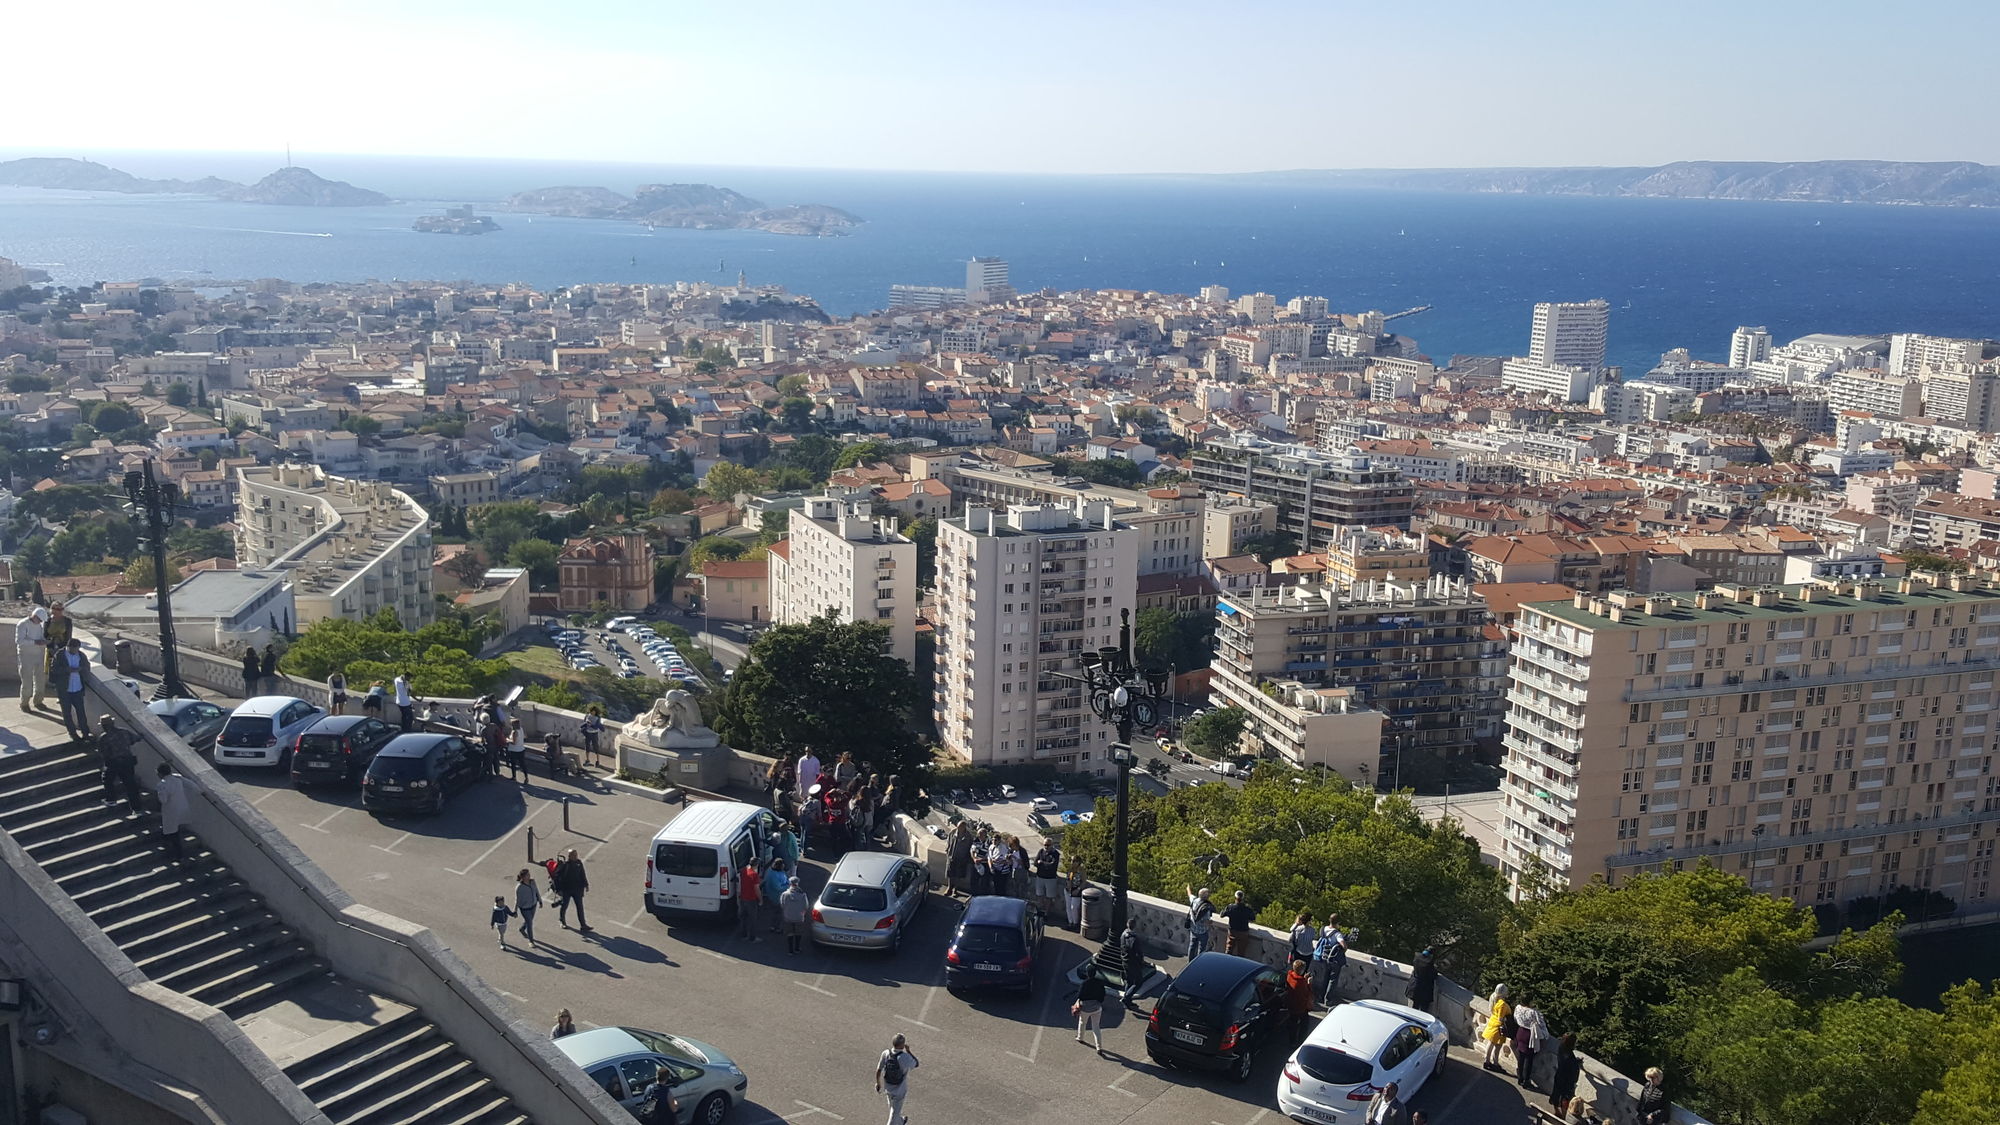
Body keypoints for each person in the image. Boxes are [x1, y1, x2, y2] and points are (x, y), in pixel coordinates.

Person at [94, 715, 142, 814]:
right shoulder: (124, 731)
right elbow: (136, 739)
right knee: (131, 785)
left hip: (113, 763)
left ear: (104, 726)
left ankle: (111, 799)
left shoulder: (104, 738)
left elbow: (103, 753)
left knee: (107, 779)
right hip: (128, 761)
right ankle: (136, 809)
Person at [155, 763, 196, 860]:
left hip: (171, 811)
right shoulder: (178, 779)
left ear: (160, 774)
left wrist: (158, 794)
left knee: (173, 833)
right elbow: (193, 785)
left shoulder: (162, 784)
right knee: (173, 829)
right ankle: (168, 844)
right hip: (182, 808)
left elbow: (163, 800)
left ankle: (178, 855)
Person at [875, 1034, 918, 1125]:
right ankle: (901, 1122)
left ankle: (901, 1121)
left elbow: (879, 1070)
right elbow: (916, 1063)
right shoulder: (904, 1057)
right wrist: (909, 1051)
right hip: (900, 1091)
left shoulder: (886, 1053)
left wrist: (878, 1083)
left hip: (888, 1089)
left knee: (894, 1111)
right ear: (902, 1045)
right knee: (894, 1115)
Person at [55, 638, 91, 741]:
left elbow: (86, 666)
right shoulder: (60, 655)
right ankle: (72, 733)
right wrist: (67, 670)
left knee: (81, 712)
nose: (75, 651)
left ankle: (85, 732)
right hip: (64, 689)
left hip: (78, 688)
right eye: (72, 649)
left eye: (76, 649)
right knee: (67, 713)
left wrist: (81, 669)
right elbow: (54, 669)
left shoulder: (81, 655)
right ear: (68, 647)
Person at [39, 603, 73, 709]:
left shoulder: (67, 621)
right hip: (50, 649)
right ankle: (57, 693)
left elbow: (68, 636)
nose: (58, 611)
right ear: (51, 609)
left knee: (63, 673)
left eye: (60, 609)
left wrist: (63, 648)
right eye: (56, 609)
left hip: (62, 650)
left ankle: (63, 694)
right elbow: (45, 635)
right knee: (53, 673)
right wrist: (50, 645)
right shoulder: (48, 621)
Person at [16, 606, 48, 710]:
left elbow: (41, 636)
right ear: (34, 616)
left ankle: (38, 701)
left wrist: (44, 641)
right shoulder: (23, 624)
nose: (39, 622)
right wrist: (35, 642)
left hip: (38, 655)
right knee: (27, 681)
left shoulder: (40, 625)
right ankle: (24, 703)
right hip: (26, 656)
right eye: (38, 619)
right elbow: (19, 641)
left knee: (40, 680)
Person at [1315, 916, 1352, 1007]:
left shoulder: (1323, 929)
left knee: (1325, 977)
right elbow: (1344, 946)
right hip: (1334, 959)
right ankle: (1328, 1000)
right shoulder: (1337, 934)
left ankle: (1321, 996)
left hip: (1325, 957)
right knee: (1333, 980)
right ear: (1337, 923)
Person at [553, 848, 591, 931]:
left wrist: (586, 884)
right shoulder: (565, 865)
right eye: (574, 855)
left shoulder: (579, 863)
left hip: (577, 889)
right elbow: (556, 876)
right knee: (564, 905)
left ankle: (583, 925)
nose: (576, 856)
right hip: (567, 889)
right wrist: (558, 889)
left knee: (580, 907)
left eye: (576, 854)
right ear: (569, 856)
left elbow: (582, 874)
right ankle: (562, 921)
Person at [1514, 1001, 1545, 1089]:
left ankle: (1520, 1078)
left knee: (1521, 1057)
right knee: (1529, 1058)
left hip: (1520, 1032)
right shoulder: (1533, 1012)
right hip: (1529, 1035)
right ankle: (1526, 1080)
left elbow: (1515, 1019)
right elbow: (1541, 1024)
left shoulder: (1518, 1008)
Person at [1073, 970, 1107, 1050]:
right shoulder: (1099, 983)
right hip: (1097, 1008)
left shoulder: (1085, 983)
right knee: (1096, 1027)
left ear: (1087, 973)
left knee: (1082, 1023)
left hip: (1085, 1008)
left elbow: (1080, 995)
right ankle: (1099, 1047)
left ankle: (1080, 1037)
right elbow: (1103, 994)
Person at [1550, 1032, 1582, 1116]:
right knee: (1566, 1098)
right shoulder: (1571, 1059)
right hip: (1567, 1081)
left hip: (1559, 1074)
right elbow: (1573, 1072)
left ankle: (1556, 1111)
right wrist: (1577, 1062)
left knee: (1556, 1094)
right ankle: (1564, 1115)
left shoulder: (1561, 1047)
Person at [1482, 984, 1513, 1071]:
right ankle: (1494, 1063)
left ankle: (1487, 1061)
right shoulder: (1502, 1004)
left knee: (1491, 1044)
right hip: (1498, 1027)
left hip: (1493, 1023)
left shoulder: (1494, 998)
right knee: (1497, 1046)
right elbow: (1501, 1018)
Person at [1285, 958, 1315, 1041]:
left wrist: (1304, 979)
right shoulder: (1301, 983)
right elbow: (1307, 994)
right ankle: (1299, 1040)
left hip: (1290, 1003)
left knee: (1293, 1023)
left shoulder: (1290, 976)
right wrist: (1309, 983)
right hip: (1300, 1007)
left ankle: (1292, 1040)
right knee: (1304, 1024)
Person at [1221, 889, 1256, 957]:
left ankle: (1225, 964)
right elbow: (1253, 918)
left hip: (1232, 931)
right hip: (1243, 932)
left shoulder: (1230, 907)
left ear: (1235, 898)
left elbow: (1222, 914)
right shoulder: (1247, 909)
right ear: (1243, 899)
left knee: (1228, 950)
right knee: (1241, 952)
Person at [780, 876, 810, 955]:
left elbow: (782, 904)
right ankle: (797, 948)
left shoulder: (784, 894)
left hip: (788, 916)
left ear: (790, 883)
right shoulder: (803, 894)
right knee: (798, 933)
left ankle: (790, 950)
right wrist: (802, 913)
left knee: (789, 933)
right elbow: (806, 906)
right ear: (797, 883)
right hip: (799, 917)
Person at [1032, 838, 1062, 914]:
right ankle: (1039, 911)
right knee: (1039, 895)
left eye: (1048, 845)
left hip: (1050, 878)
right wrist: (1045, 864)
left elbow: (1053, 866)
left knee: (1049, 897)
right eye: (1045, 845)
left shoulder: (1055, 854)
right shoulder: (1041, 851)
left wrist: (1041, 863)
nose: (1046, 847)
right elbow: (1035, 863)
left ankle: (1046, 913)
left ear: (1052, 845)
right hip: (1040, 877)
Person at [735, 859, 761, 942]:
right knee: (752, 919)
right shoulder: (754, 874)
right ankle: (752, 937)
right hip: (751, 899)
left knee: (743, 917)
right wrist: (761, 899)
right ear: (756, 865)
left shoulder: (743, 871)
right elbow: (757, 889)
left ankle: (743, 935)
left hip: (743, 897)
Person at [513, 867, 541, 945]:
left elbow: (536, 891)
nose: (529, 876)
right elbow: (517, 900)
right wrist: (515, 910)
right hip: (525, 908)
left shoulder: (532, 882)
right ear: (523, 877)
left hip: (533, 905)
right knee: (529, 923)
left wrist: (540, 900)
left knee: (529, 921)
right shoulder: (519, 888)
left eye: (529, 874)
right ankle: (531, 941)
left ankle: (522, 929)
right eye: (527, 875)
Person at [1406, 947, 1438, 1013]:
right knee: (1423, 1014)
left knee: (1411, 1012)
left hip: (1413, 988)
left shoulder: (1417, 958)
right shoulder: (1429, 964)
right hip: (1425, 992)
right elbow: (1434, 976)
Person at [946, 822, 973, 899]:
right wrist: (948, 850)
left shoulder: (968, 836)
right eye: (958, 827)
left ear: (964, 827)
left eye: (960, 827)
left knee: (958, 875)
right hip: (952, 856)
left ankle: (955, 890)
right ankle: (949, 888)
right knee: (950, 873)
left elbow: (970, 846)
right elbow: (948, 841)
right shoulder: (953, 832)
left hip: (962, 858)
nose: (958, 828)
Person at [1187, 885, 1216, 957]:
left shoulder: (1194, 900)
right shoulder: (1206, 908)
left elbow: (1189, 894)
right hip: (1202, 931)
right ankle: (1198, 962)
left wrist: (1188, 887)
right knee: (1201, 948)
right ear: (1206, 897)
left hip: (1193, 929)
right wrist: (1210, 923)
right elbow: (1206, 922)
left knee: (1192, 946)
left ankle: (1190, 962)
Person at [762, 857, 789, 934]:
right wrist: (787, 886)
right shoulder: (773, 874)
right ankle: (776, 927)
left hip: (780, 896)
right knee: (778, 913)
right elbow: (777, 887)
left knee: (776, 912)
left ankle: (774, 926)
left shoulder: (780, 871)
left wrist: (787, 882)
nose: (784, 866)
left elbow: (785, 878)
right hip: (776, 897)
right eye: (782, 864)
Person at [1063, 867, 1086, 932]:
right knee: (1068, 907)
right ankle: (1070, 922)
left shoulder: (1082, 870)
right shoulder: (1070, 869)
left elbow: (1084, 882)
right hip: (1068, 889)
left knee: (1074, 907)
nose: (1072, 863)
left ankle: (1075, 923)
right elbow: (1068, 879)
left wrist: (1078, 889)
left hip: (1076, 890)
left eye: (1074, 861)